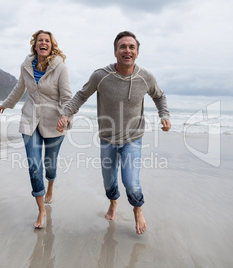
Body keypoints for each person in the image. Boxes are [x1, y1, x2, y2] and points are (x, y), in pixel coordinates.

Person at [57, 31, 171, 235]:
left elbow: (159, 97)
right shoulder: (101, 76)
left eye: (131, 47)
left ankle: (138, 210)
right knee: (109, 181)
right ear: (115, 51)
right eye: (123, 47)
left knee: (131, 182)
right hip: (107, 139)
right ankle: (113, 203)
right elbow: (80, 96)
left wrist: (165, 115)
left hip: (133, 139)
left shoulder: (146, 78)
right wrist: (66, 114)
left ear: (137, 52)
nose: (127, 50)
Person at [0, 30, 72, 228]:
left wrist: (66, 117)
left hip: (55, 122)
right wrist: (6, 104)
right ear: (35, 45)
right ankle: (41, 210)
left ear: (51, 45)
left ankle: (51, 186)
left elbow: (66, 96)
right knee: (34, 166)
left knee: (50, 164)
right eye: (40, 41)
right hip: (30, 120)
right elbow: (19, 88)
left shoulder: (60, 68)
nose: (43, 43)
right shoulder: (26, 65)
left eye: (47, 41)